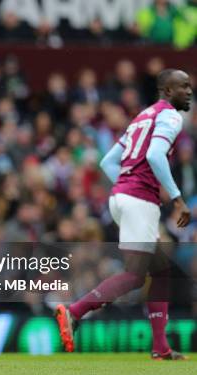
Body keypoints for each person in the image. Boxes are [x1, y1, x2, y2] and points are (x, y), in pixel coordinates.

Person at [55, 69, 193, 360]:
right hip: (138, 201)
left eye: (190, 86)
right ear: (167, 91)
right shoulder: (170, 116)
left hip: (122, 198)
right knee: (134, 275)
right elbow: (156, 155)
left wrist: (126, 186)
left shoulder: (141, 118)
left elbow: (109, 161)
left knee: (160, 271)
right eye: (183, 86)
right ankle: (74, 311)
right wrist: (177, 198)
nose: (189, 91)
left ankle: (160, 347)